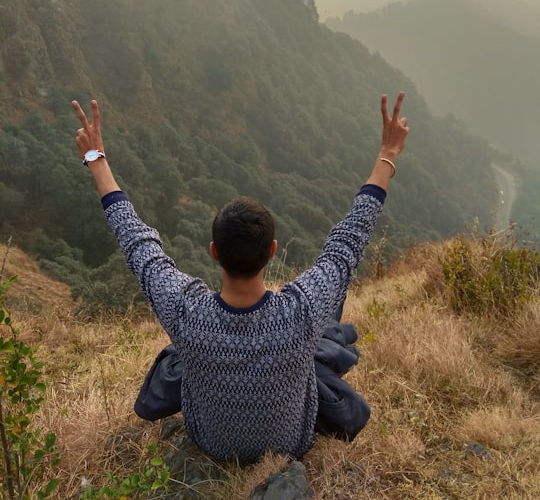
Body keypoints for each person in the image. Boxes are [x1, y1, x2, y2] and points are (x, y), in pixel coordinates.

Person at [71, 92, 409, 463]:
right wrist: (387, 154)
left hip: (212, 444)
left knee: (177, 354)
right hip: (289, 445)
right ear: (273, 250)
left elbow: (136, 241)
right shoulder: (301, 313)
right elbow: (348, 240)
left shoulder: (186, 314)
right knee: (332, 289)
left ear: (214, 252)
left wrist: (96, 159)